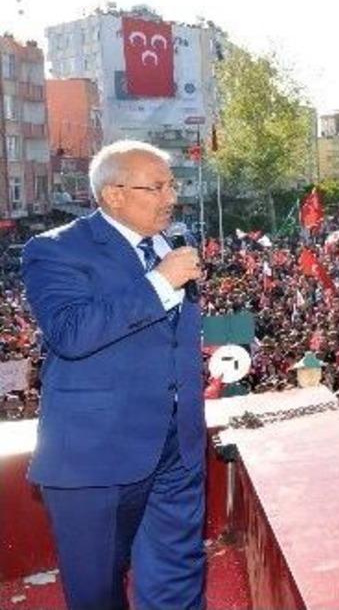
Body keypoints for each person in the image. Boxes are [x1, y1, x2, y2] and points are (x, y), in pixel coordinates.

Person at [21, 140, 206, 610]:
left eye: (172, 184)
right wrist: (160, 283)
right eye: (157, 186)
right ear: (113, 194)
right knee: (98, 590)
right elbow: (70, 333)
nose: (171, 197)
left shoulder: (168, 245)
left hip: (176, 448)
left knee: (179, 574)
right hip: (97, 454)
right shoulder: (56, 250)